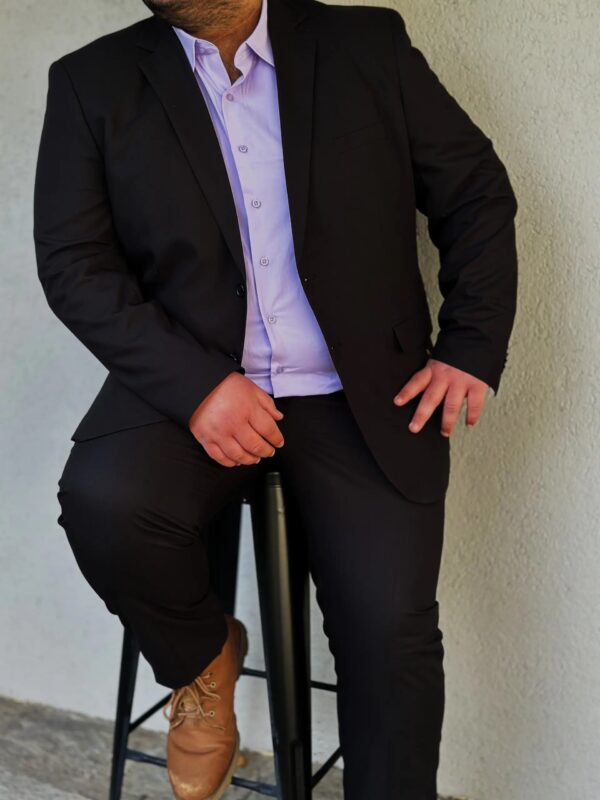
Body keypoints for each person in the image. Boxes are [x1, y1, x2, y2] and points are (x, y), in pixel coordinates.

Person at [32, 0, 518, 796]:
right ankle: (202, 659)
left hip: (359, 391)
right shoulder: (94, 80)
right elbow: (74, 265)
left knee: (390, 637)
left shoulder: (366, 44)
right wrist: (196, 387)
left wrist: (471, 346)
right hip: (192, 381)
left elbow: (474, 194)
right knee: (105, 506)